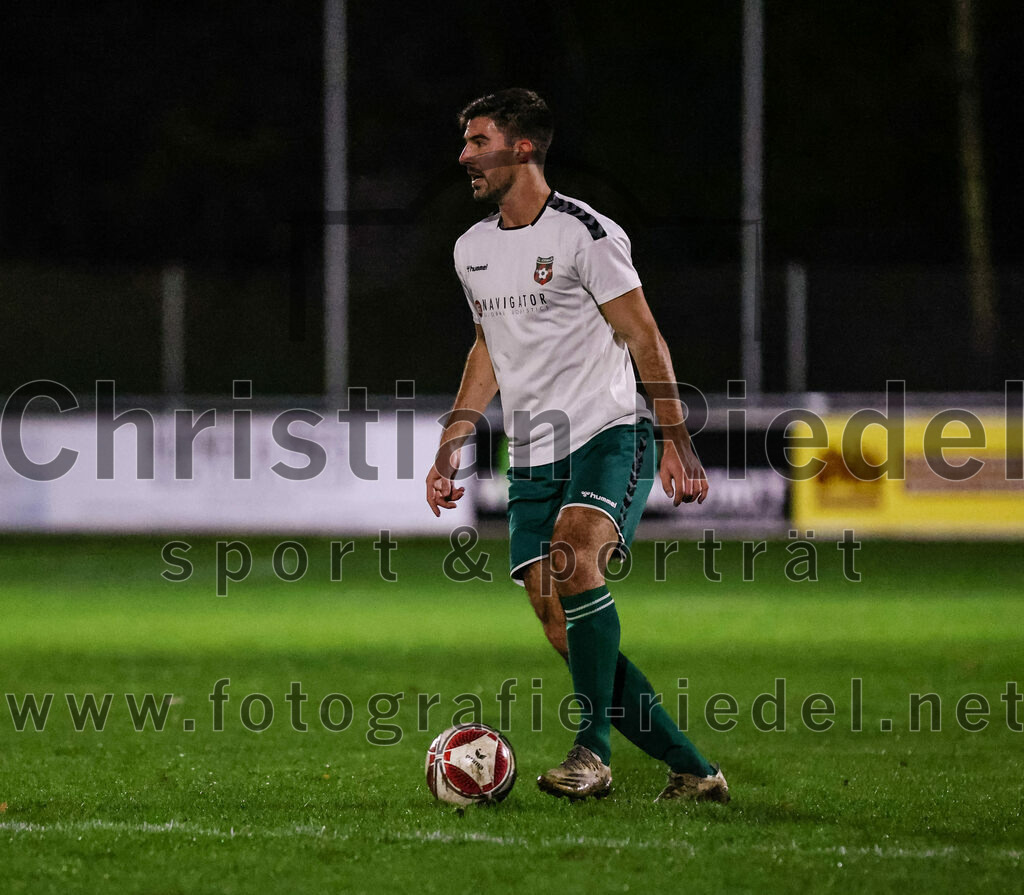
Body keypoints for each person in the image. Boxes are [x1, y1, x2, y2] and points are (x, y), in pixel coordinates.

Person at [426, 88, 729, 804]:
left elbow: (643, 334)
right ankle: (693, 768)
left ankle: (591, 752)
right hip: (533, 454)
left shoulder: (586, 233)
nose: (465, 154)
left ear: (523, 146)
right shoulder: (471, 250)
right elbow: (487, 349)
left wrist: (674, 434)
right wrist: (453, 436)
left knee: (574, 549)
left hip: (609, 432)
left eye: (479, 140)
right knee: (561, 624)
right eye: (466, 142)